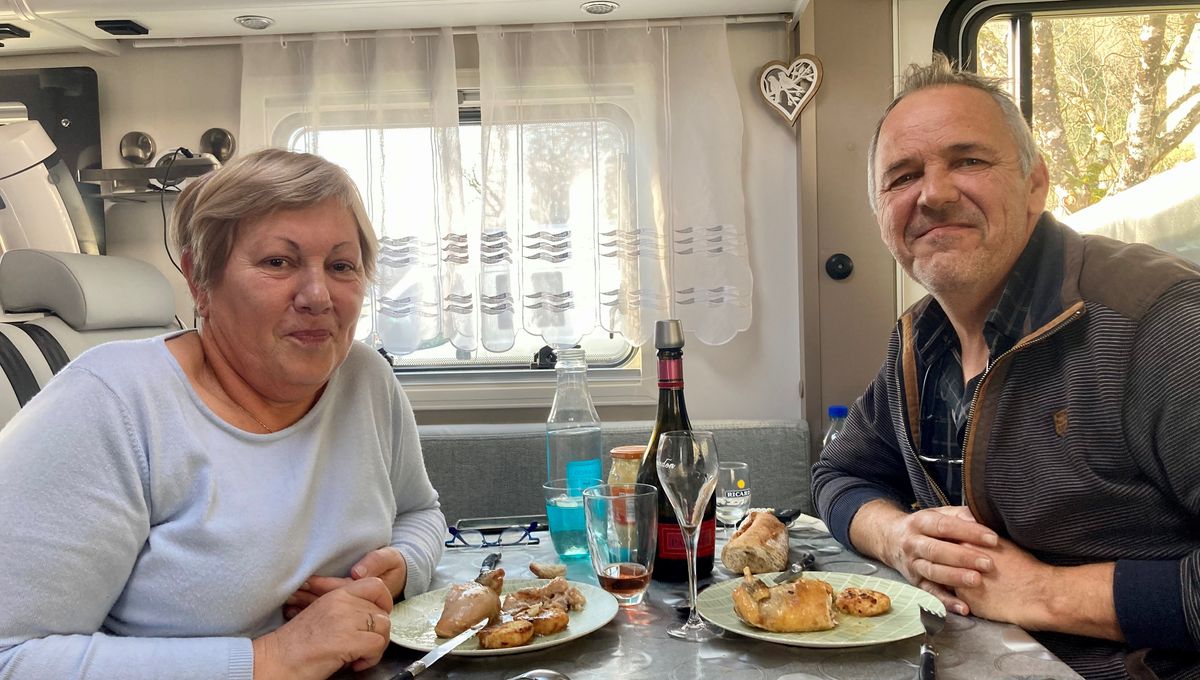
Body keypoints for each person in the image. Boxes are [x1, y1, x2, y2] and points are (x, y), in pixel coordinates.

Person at [812, 54, 1200, 679]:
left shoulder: (1159, 321)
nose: (933, 194)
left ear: (1035, 185)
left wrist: (1043, 592)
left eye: (968, 160)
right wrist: (901, 540)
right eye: (902, 176)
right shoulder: (918, 340)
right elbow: (838, 474)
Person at [0, 148, 446, 679]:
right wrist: (269, 659)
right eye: (278, 262)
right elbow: (13, 656)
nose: (318, 294)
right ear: (199, 281)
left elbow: (420, 513)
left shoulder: (365, 378)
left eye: (341, 265)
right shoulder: (108, 404)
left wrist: (398, 570)